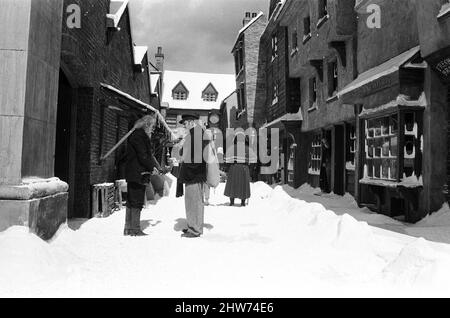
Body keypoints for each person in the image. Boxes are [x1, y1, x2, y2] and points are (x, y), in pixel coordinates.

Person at [124, 113, 165, 236]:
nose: (152, 129)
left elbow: (145, 155)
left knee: (131, 200)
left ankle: (128, 228)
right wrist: (151, 168)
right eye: (152, 126)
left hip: (134, 172)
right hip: (138, 173)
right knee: (136, 201)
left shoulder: (136, 135)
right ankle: (135, 229)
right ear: (146, 125)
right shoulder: (140, 136)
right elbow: (144, 155)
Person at [177, 114, 209, 238]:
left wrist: (189, 172)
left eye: (184, 124)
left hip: (193, 175)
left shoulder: (196, 133)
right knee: (195, 202)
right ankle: (194, 226)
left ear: (190, 122)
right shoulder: (195, 133)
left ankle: (194, 229)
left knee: (193, 202)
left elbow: (196, 157)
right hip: (195, 174)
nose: (184, 126)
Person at [224, 132, 253, 207]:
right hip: (244, 168)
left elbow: (226, 159)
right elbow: (252, 161)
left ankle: (232, 201)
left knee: (233, 183)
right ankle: (243, 202)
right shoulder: (248, 149)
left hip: (234, 167)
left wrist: (227, 168)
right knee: (243, 184)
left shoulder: (231, 148)